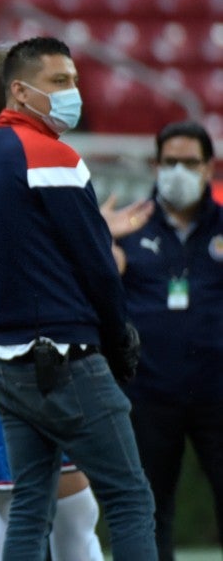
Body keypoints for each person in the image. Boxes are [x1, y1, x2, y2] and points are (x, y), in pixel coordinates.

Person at [0, 35, 157, 560]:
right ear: (20, 91)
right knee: (130, 497)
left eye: (74, 80)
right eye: (59, 81)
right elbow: (97, 265)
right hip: (66, 357)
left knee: (29, 507)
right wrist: (120, 339)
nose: (74, 92)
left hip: (4, 358)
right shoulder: (53, 155)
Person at [114, 120, 223, 561]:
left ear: (209, 167)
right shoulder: (131, 226)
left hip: (218, 393)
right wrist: (103, 239)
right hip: (150, 392)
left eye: (189, 162)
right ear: (155, 165)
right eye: (170, 162)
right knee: (149, 509)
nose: (178, 171)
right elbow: (101, 289)